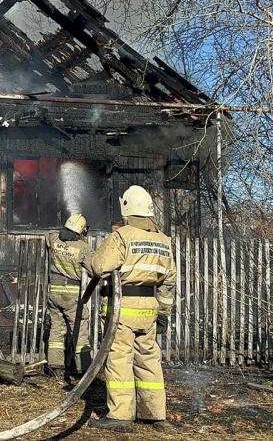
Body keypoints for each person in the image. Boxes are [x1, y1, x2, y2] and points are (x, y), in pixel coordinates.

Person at [88, 185, 177, 432]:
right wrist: (163, 314)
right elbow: (169, 282)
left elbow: (99, 266)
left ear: (126, 208)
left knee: (119, 359)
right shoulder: (164, 240)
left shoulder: (123, 235)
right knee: (149, 359)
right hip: (150, 308)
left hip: (123, 307)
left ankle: (120, 415)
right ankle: (154, 413)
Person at [45, 213, 94, 377]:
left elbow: (49, 233)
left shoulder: (54, 239)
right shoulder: (83, 247)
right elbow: (95, 269)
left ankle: (56, 367)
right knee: (79, 330)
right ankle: (83, 368)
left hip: (53, 293)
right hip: (72, 294)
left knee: (56, 329)